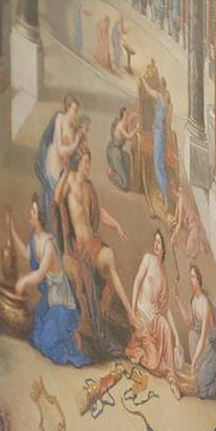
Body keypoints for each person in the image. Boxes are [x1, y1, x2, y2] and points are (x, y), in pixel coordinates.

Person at [56, 144, 134, 354]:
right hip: (79, 247)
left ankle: (129, 313)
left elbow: (99, 211)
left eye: (89, 162)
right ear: (78, 163)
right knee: (90, 278)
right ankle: (98, 331)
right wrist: (65, 171)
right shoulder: (69, 181)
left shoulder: (88, 187)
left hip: (92, 243)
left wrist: (116, 224)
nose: (88, 166)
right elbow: (56, 199)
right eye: (85, 162)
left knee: (110, 260)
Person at [7, 194, 90, 367]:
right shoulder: (35, 237)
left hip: (62, 304)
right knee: (36, 334)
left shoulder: (49, 244)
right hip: (49, 299)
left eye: (33, 211)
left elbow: (39, 274)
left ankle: (72, 337)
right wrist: (11, 229)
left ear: (40, 217)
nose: (30, 213)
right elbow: (26, 254)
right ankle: (67, 334)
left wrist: (23, 281)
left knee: (47, 342)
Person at [125, 228, 182, 391]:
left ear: (164, 248)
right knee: (154, 363)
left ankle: (172, 378)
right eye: (155, 241)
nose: (156, 245)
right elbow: (137, 282)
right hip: (142, 316)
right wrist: (132, 310)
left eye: (159, 242)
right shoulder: (148, 259)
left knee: (165, 326)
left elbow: (166, 308)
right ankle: (138, 352)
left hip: (154, 319)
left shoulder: (164, 275)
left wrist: (177, 337)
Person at [34, 95, 84, 238]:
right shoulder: (60, 119)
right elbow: (60, 149)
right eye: (74, 110)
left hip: (63, 168)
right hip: (53, 165)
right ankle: (52, 229)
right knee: (56, 196)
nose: (75, 113)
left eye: (76, 110)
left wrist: (80, 139)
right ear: (67, 108)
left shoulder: (73, 127)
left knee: (69, 195)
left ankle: (63, 231)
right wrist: (76, 143)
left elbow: (73, 154)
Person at [179, 263, 216, 400]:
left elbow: (204, 336)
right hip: (202, 343)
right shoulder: (194, 300)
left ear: (199, 280)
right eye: (190, 277)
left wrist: (194, 362)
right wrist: (178, 302)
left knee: (201, 386)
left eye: (193, 277)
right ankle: (203, 373)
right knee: (191, 334)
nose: (191, 280)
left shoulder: (205, 303)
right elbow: (189, 324)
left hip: (210, 346)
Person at [106, 106, 138, 191]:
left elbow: (131, 118)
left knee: (127, 157)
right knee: (124, 185)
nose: (128, 116)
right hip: (114, 152)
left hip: (119, 151)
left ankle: (125, 179)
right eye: (126, 115)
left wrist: (135, 115)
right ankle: (111, 175)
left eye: (128, 115)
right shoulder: (120, 126)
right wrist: (137, 129)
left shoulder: (124, 122)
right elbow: (129, 137)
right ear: (123, 116)